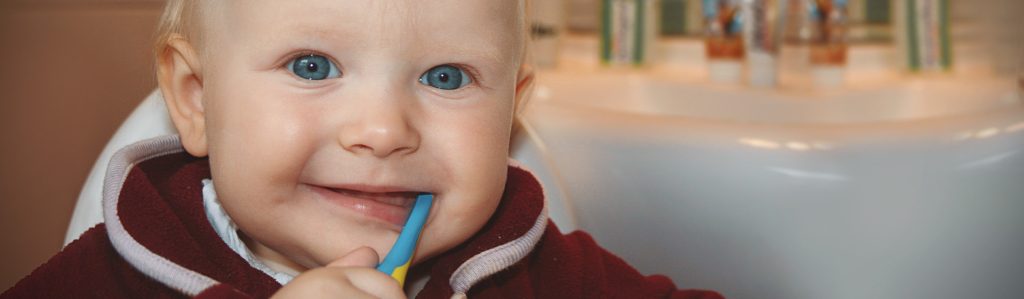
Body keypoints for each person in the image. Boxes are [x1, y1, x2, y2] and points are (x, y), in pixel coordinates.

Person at [3, 1, 723, 298]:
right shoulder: (108, 276)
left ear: (509, 117)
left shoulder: (541, 269)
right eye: (312, 66)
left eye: (446, 77)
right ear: (195, 98)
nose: (382, 131)